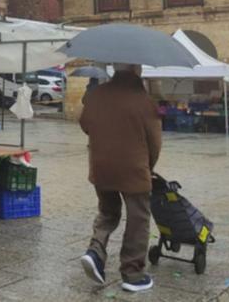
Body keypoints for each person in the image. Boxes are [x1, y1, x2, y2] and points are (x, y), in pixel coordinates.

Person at [78, 63, 162, 293]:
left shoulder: (96, 94)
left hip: (101, 166)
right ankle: (133, 274)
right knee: (138, 218)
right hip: (133, 170)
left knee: (107, 212)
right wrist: (149, 167)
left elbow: (85, 124)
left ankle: (95, 251)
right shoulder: (143, 101)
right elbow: (154, 142)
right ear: (136, 70)